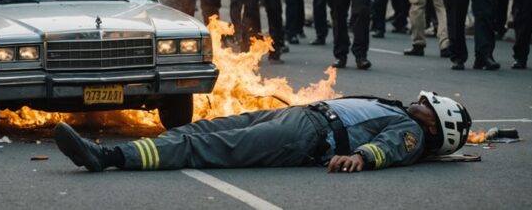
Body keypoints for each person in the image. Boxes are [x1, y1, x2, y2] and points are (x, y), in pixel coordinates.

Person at [55, 91, 472, 173]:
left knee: (208, 147)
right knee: (202, 129)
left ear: (433, 122)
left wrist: (362, 156)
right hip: (299, 118)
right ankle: (124, 152)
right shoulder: (398, 110)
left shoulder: (408, 130)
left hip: (305, 135)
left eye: (428, 104)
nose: (421, 100)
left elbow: (391, 148)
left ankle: (107, 158)